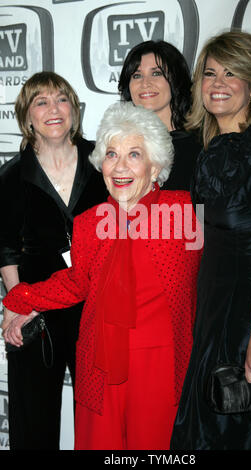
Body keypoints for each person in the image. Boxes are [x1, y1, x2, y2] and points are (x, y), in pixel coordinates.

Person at [1, 102, 202, 450]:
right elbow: (78, 282)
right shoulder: (90, 223)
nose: (120, 166)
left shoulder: (183, 212)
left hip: (160, 368)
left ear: (155, 166)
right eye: (111, 154)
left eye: (134, 155)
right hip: (100, 365)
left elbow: (228, 261)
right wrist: (21, 299)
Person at [170, 31, 251, 450]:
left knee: (241, 427)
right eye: (210, 73)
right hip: (216, 310)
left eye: (232, 73)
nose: (218, 82)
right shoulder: (211, 147)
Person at [0, 71, 108, 450]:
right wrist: (19, 305)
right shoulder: (10, 177)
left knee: (100, 428)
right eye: (40, 102)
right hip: (37, 315)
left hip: (97, 313)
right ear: (27, 117)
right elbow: (6, 248)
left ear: (74, 110)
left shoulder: (104, 163)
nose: (52, 109)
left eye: (61, 99)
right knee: (33, 427)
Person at [118, 40, 202, 190]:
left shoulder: (201, 146)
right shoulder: (120, 146)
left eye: (156, 73)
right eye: (137, 75)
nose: (145, 83)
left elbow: (203, 210)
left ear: (176, 79)